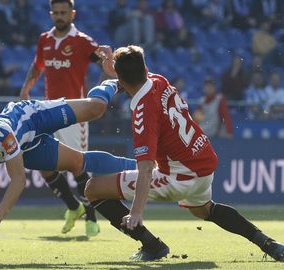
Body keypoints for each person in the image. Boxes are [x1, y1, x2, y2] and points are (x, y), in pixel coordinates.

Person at [83, 45, 284, 261]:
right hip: (204, 162)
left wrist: (136, 212)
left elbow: (146, 169)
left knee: (94, 189)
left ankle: (151, 246)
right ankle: (267, 243)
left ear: (121, 81)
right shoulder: (158, 80)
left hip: (179, 176)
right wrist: (114, 69)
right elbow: (133, 76)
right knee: (204, 210)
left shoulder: (143, 112)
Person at [0, 97, 137, 263]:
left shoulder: (0, 134)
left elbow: (18, 180)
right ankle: (138, 167)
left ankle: (113, 82)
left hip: (33, 116)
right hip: (28, 149)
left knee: (94, 108)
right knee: (77, 163)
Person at [19, 0, 109, 237]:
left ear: (72, 14)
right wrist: (26, 89)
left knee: (77, 165)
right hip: (48, 109)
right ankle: (73, 207)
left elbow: (105, 64)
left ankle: (91, 218)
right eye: (55, 12)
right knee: (40, 162)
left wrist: (100, 90)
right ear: (51, 14)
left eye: (63, 12)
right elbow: (37, 66)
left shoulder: (82, 41)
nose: (59, 16)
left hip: (74, 112)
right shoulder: (44, 40)